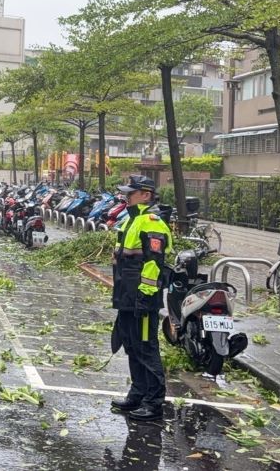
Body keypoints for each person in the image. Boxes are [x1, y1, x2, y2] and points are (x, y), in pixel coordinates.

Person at [109, 174, 172, 421]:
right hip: (127, 297)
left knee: (146, 348)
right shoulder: (132, 220)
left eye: (130, 193)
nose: (126, 197)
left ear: (145, 195)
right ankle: (137, 393)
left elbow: (153, 264)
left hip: (142, 299)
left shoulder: (152, 222)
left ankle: (153, 402)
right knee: (132, 346)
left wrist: (145, 297)